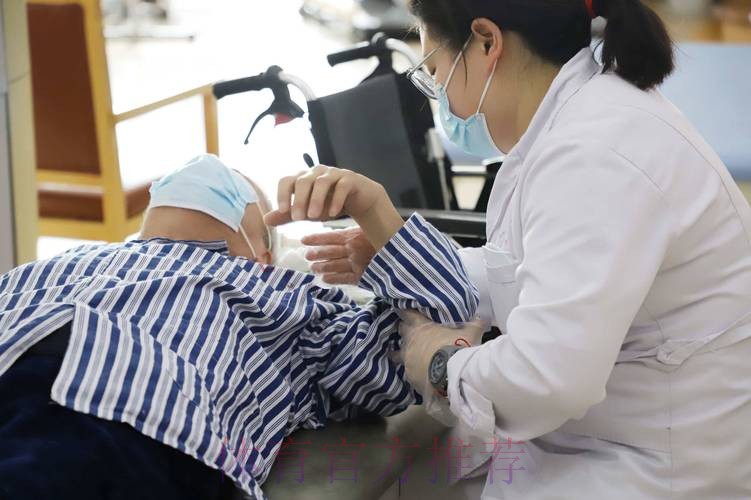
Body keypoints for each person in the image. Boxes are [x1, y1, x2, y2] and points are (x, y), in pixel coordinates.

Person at [268, 0, 751, 497]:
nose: (439, 93)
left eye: (433, 71)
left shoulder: (594, 156)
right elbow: (531, 271)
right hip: (610, 430)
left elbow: (544, 379)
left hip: (653, 467)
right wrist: (396, 249)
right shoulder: (579, 116)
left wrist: (438, 361)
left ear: (486, 42)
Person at [0, 155, 479, 500]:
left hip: (127, 415)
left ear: (264, 252)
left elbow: (437, 342)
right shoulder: (59, 263)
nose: (209, 169)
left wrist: (376, 214)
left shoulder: (284, 296)